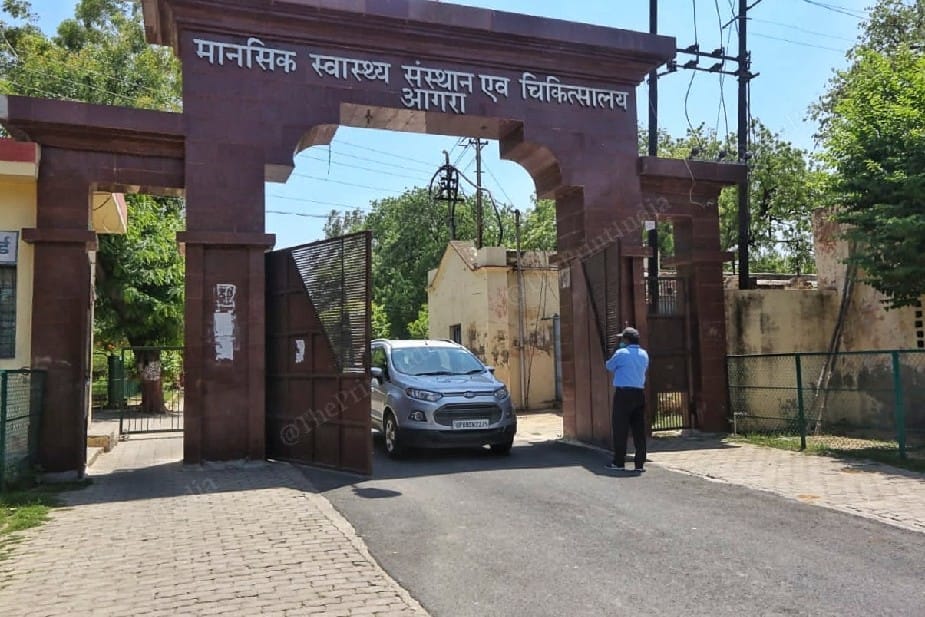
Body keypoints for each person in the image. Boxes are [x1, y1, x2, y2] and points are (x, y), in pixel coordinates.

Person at [604, 326, 649, 473]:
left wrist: (615, 350)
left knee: (620, 428)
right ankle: (639, 463)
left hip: (623, 395)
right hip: (639, 394)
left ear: (626, 340)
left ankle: (619, 462)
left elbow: (609, 366)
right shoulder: (644, 354)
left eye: (622, 339)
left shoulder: (621, 353)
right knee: (639, 430)